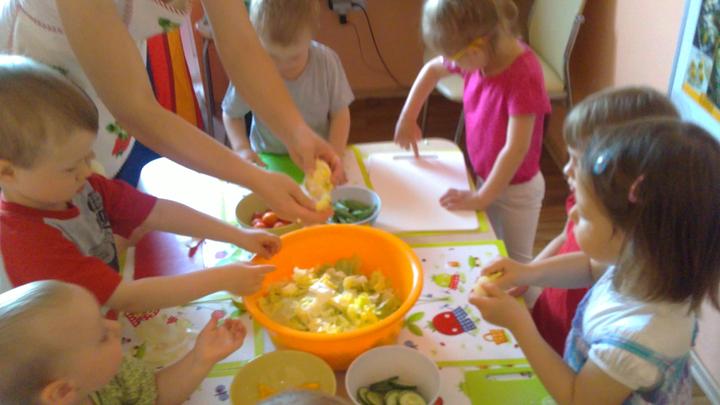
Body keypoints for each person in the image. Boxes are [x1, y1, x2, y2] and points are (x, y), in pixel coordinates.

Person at [0, 0, 341, 224]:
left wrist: (296, 131)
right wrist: (256, 179)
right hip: (42, 94)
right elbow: (136, 110)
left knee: (107, 199)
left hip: (114, 76)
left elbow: (241, 45)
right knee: (65, 206)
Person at [0, 55, 277, 313]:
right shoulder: (28, 244)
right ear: (7, 172)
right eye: (71, 167)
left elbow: (157, 212)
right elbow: (127, 298)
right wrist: (222, 278)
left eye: (89, 155)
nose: (87, 171)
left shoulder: (82, 186)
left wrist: (239, 236)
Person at [471, 119, 720, 404]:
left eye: (586, 214)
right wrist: (527, 272)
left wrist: (519, 325)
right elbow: (590, 268)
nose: (572, 215)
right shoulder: (647, 267)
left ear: (638, 238)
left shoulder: (637, 340)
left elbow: (577, 398)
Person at [518, 87, 678, 355]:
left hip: (574, 337)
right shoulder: (585, 203)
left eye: (577, 161)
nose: (566, 170)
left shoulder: (632, 263)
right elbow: (565, 239)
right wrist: (528, 273)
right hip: (550, 314)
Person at [394, 0, 551, 263]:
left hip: (517, 192)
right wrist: (407, 117)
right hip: (485, 178)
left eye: (455, 57)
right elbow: (432, 70)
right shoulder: (481, 56)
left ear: (477, 47)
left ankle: (527, 293)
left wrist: (482, 197)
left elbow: (516, 148)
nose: (451, 64)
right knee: (489, 252)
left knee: (517, 265)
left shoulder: (523, 73)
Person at [0, 280, 246, 405]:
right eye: (101, 336)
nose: (116, 326)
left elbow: (154, 394)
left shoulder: (107, 377)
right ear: (63, 392)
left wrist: (200, 358)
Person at [222, 0, 353, 183]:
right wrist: (242, 148)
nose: (282, 66)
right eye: (272, 56)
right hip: (267, 157)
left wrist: (335, 154)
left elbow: (340, 115)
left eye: (294, 57)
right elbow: (231, 114)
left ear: (311, 35)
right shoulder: (252, 69)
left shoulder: (327, 63)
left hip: (315, 157)